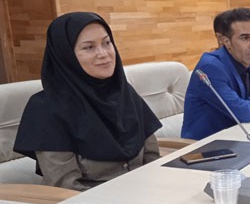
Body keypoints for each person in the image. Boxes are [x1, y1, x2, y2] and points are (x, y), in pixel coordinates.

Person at [13, 12, 162, 191]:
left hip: (146, 194)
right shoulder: (46, 109)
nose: (103, 54)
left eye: (107, 43)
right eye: (89, 47)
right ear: (66, 55)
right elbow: (67, 187)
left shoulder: (124, 93)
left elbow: (152, 158)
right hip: (93, 203)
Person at [182, 7, 250, 140]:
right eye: (245, 38)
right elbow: (243, 113)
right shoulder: (210, 68)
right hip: (208, 146)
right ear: (226, 41)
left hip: (242, 138)